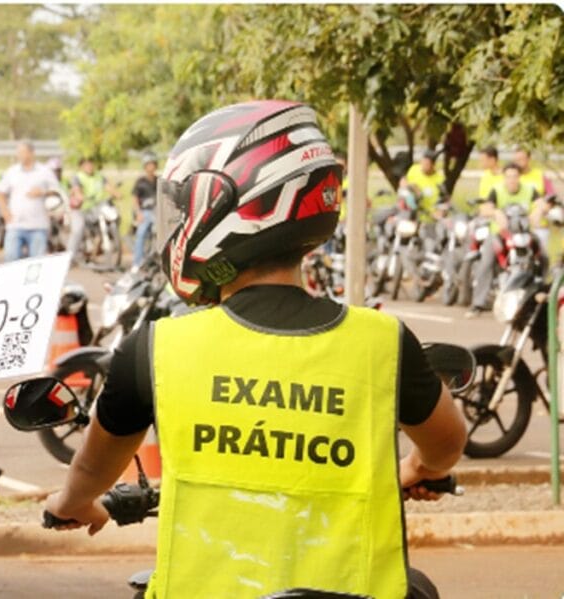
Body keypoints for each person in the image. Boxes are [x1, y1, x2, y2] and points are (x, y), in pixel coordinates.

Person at [42, 100, 467, 598]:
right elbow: (446, 444)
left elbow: (92, 470)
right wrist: (417, 470)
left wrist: (71, 504)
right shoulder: (384, 342)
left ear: (220, 209)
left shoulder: (156, 348)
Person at [466, 163, 544, 318]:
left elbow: (540, 204)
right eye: (509, 177)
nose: (512, 180)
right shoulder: (497, 190)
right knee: (486, 262)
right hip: (500, 234)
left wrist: (538, 212)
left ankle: (539, 299)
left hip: (523, 234)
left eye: (515, 176)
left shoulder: (529, 189)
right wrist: (495, 212)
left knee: (543, 257)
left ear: (519, 177)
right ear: (504, 178)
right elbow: (485, 208)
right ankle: (478, 304)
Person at [0, 140, 60, 261]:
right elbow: (0, 192)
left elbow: (57, 191)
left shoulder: (44, 171)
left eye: (22, 152)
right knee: (10, 260)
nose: (19, 155)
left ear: (31, 153)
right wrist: (5, 212)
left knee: (36, 265)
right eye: (18, 152)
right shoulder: (12, 171)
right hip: (15, 225)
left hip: (38, 226)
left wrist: (42, 192)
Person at [67, 157, 115, 262]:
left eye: (91, 164)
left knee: (112, 217)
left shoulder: (99, 176)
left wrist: (116, 194)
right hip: (81, 208)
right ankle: (69, 257)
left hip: (97, 207)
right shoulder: (77, 177)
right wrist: (80, 196)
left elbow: (108, 187)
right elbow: (76, 190)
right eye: (86, 165)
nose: (89, 167)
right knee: (78, 229)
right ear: (81, 167)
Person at [131, 153, 158, 267]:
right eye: (149, 165)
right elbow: (134, 199)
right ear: (145, 167)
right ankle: (137, 262)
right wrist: (138, 213)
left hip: (157, 212)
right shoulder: (140, 182)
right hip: (145, 212)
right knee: (141, 233)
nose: (151, 167)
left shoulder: (159, 180)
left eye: (153, 164)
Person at [404, 149, 446, 219]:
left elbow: (444, 199)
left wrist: (440, 213)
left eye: (426, 164)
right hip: (414, 216)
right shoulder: (414, 169)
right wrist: (412, 187)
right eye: (422, 163)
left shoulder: (440, 179)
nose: (423, 166)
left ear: (433, 165)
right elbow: (404, 182)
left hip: (431, 218)